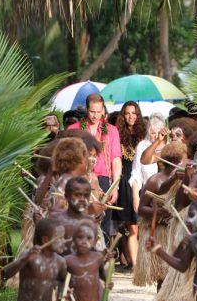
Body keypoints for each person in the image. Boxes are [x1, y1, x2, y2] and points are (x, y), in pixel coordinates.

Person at [134, 140, 187, 301]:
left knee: (181, 274)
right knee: (162, 276)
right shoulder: (154, 181)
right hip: (159, 232)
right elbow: (141, 209)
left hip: (176, 232)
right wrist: (161, 213)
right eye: (183, 160)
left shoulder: (185, 179)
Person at [66, 94, 122, 243]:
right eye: (92, 112)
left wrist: (115, 187)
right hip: (79, 180)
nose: (95, 115)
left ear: (103, 110)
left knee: (102, 220)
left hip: (103, 181)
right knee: (80, 217)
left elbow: (116, 160)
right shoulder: (74, 129)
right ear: (86, 110)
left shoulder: (111, 130)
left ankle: (101, 259)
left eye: (99, 112)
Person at [114, 101, 147, 272]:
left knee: (143, 224)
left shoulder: (145, 134)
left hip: (143, 178)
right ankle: (135, 265)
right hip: (125, 179)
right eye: (127, 113)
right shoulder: (117, 134)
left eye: (134, 113)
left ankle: (144, 262)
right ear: (123, 115)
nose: (131, 116)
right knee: (132, 225)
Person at [130, 113, 163, 210]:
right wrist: (136, 198)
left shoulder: (168, 147)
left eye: (159, 133)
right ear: (148, 132)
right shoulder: (142, 146)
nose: (156, 136)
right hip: (148, 197)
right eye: (153, 133)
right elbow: (136, 174)